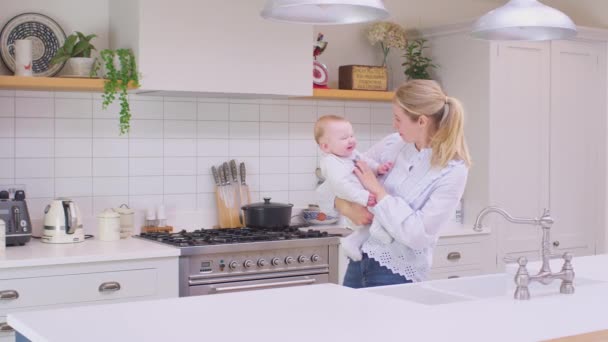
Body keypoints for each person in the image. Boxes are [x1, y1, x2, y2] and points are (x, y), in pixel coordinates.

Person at [325, 79, 471, 288]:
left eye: (398, 119)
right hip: (359, 261)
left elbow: (417, 235)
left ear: (422, 121)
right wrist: (346, 207)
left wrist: (376, 189)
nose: (394, 125)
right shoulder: (393, 143)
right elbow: (341, 179)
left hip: (396, 273)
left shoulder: (452, 171)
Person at [314, 115, 393, 261]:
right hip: (355, 198)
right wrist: (362, 197)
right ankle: (374, 232)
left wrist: (378, 168)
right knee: (374, 216)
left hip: (361, 198)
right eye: (344, 138)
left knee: (375, 216)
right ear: (325, 146)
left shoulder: (351, 154)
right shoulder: (331, 162)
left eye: (351, 135)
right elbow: (340, 186)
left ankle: (353, 241)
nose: (351, 140)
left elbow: (365, 161)